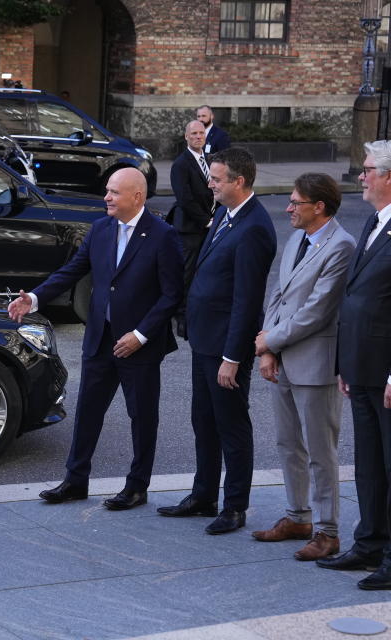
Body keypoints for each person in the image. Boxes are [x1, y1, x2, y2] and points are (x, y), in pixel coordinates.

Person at [8, 168, 183, 510]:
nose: (106, 197)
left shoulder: (163, 235)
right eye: (107, 191)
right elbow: (72, 270)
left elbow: (171, 295)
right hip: (100, 339)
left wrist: (141, 334)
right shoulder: (101, 228)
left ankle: (136, 487)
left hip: (138, 345)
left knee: (142, 416)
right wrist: (35, 299)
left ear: (137, 197)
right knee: (88, 412)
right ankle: (75, 481)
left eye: (114, 192)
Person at [158, 147, 276, 534]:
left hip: (226, 347)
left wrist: (232, 357)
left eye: (217, 179)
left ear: (239, 182)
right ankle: (203, 494)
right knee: (203, 421)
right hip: (204, 340)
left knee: (231, 426)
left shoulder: (255, 227)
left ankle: (235, 506)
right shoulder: (226, 212)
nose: (210, 184)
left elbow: (246, 300)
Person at [251, 173, 355, 560]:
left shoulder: (342, 246)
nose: (289, 208)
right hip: (283, 359)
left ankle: (328, 531)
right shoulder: (296, 238)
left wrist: (270, 341)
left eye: (296, 202)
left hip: (315, 364)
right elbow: (278, 296)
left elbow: (318, 312)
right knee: (287, 444)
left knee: (320, 451)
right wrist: (268, 350)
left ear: (319, 207)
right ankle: (298, 517)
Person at [317, 140, 391, 590]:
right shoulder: (373, 222)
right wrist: (345, 362)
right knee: (368, 463)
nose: (360, 176)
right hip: (361, 367)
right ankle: (370, 542)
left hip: (385, 374)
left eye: (367, 170)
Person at [168, 120, 216, 337]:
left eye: (201, 133)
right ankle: (182, 317)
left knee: (203, 270)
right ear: (186, 137)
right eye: (194, 133)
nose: (198, 136)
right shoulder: (181, 164)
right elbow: (185, 199)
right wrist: (206, 221)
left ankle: (198, 311)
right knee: (186, 273)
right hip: (190, 227)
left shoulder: (208, 159)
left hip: (208, 225)